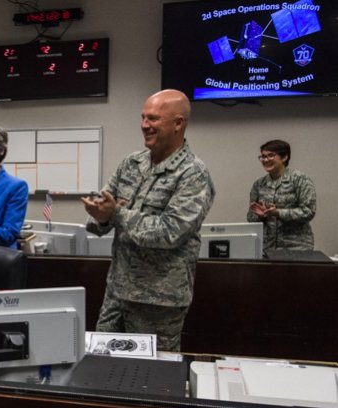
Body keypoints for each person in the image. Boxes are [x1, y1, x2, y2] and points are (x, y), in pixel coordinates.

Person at [81, 89, 215, 352]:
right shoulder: (131, 163)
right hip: (117, 294)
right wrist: (101, 217)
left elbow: (169, 232)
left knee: (153, 372)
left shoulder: (194, 174)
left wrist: (117, 214)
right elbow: (103, 210)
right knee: (101, 363)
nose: (144, 125)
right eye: (143, 117)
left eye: (153, 118)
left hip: (159, 303)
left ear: (178, 123)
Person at [247, 139, 316, 251]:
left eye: (270, 156)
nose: (265, 160)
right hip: (267, 248)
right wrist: (260, 215)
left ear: (284, 157)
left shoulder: (300, 180)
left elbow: (308, 212)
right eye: (263, 157)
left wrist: (278, 213)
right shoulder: (259, 184)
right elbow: (251, 218)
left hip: (296, 247)